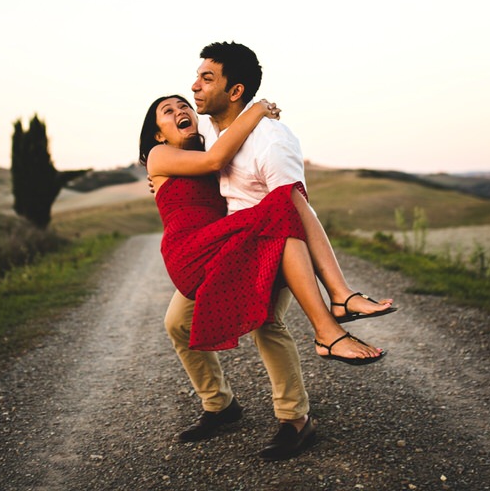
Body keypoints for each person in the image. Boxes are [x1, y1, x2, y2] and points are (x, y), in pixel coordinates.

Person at [144, 41, 395, 460]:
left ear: (235, 90)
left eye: (206, 80)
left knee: (268, 321)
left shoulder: (269, 139)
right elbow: (200, 161)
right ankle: (220, 406)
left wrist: (258, 112)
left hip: (268, 242)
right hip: (216, 250)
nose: (192, 94)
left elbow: (296, 204)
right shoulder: (204, 137)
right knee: (177, 323)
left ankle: (296, 419)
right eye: (171, 109)